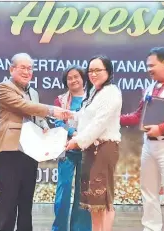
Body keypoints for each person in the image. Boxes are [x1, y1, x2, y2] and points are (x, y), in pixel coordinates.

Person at [0, 53, 71, 231]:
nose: (27, 71)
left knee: (26, 198)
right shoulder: (4, 87)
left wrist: (44, 125)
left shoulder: (33, 92)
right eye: (23, 67)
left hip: (30, 150)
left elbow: (36, 115)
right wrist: (52, 111)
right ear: (12, 69)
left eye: (30, 68)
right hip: (11, 149)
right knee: (8, 197)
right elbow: (24, 106)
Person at [120, 47, 164, 231]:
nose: (148, 69)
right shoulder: (150, 87)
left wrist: (162, 128)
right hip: (149, 146)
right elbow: (138, 115)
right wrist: (114, 118)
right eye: (146, 66)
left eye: (152, 65)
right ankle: (151, 227)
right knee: (148, 189)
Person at [65, 55, 122, 231]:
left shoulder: (111, 92)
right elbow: (82, 117)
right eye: (90, 70)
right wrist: (64, 114)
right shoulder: (94, 93)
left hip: (104, 149)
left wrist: (77, 141)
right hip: (90, 150)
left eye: (98, 70)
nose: (93, 74)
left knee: (103, 200)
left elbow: (99, 123)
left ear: (109, 71)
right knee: (92, 201)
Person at [52, 65, 92, 231]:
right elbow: (58, 121)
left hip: (87, 149)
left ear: (83, 79)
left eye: (77, 76)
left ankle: (80, 228)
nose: (73, 80)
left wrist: (82, 136)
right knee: (64, 189)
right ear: (65, 82)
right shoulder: (60, 100)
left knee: (84, 192)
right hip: (66, 149)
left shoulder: (92, 99)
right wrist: (72, 132)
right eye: (69, 78)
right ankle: (59, 227)